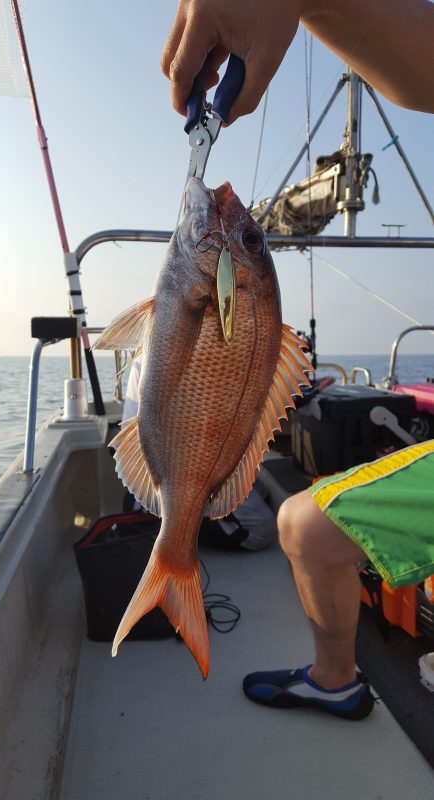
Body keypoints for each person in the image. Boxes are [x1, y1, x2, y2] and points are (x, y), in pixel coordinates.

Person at [161, 0, 434, 720]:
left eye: (246, 245)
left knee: (300, 524)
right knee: (304, 524)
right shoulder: (215, 288)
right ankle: (336, 678)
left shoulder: (214, 289)